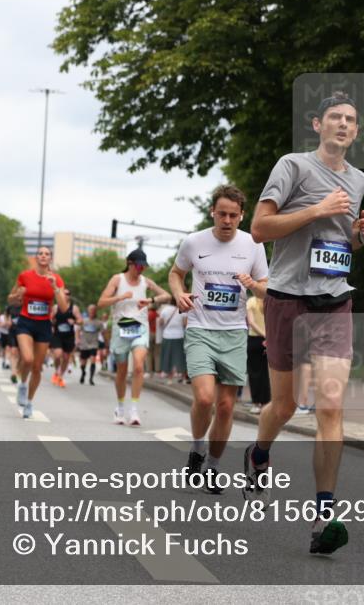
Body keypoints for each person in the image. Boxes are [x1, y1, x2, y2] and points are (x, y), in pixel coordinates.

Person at [243, 91, 364, 555]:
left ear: (356, 131)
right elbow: (259, 229)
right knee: (283, 406)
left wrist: (360, 237)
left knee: (331, 407)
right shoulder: (293, 166)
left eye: (351, 119)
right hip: (287, 298)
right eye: (335, 117)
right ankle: (259, 453)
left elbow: (339, 243)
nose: (343, 124)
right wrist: (316, 209)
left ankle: (324, 516)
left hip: (334, 300)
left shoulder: (358, 179)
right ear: (318, 124)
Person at [169, 185, 269, 494]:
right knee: (204, 399)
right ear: (212, 212)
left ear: (242, 216)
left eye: (233, 215)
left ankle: (212, 467)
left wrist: (254, 285)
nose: (227, 220)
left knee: (226, 406)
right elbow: (176, 273)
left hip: (235, 333)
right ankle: (197, 449)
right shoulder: (194, 242)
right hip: (200, 329)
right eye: (222, 214)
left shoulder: (253, 244)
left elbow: (266, 288)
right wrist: (179, 294)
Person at [97, 248, 170, 426]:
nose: (141, 269)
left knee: (138, 366)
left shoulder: (145, 281)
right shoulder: (117, 279)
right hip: (121, 328)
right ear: (129, 264)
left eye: (144, 266)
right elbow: (101, 302)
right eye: (138, 266)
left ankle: (134, 410)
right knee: (122, 371)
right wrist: (120, 297)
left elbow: (167, 295)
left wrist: (150, 301)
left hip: (140, 327)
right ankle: (120, 407)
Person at [8, 246, 68, 419]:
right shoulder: (25, 276)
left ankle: (29, 402)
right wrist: (17, 296)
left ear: (50, 259)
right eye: (40, 253)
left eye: (47, 254)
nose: (43, 256)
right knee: (27, 359)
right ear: (36, 257)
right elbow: (10, 300)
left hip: (44, 325)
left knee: (37, 367)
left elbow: (63, 307)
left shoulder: (56, 278)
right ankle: (22, 385)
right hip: (25, 322)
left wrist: (55, 287)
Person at [50, 289, 82, 387]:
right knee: (58, 354)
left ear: (69, 296)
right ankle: (57, 371)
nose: (65, 295)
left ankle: (60, 376)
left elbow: (81, 321)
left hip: (69, 336)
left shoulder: (74, 308)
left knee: (66, 357)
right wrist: (52, 323)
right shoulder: (56, 307)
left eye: (67, 294)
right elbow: (50, 319)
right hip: (57, 335)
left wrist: (74, 322)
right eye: (63, 294)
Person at [245, 290, 269, 414]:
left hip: (254, 339)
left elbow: (251, 322)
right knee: (267, 372)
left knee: (254, 372)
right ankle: (266, 403)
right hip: (269, 339)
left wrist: (263, 334)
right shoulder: (270, 301)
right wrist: (268, 335)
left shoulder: (251, 301)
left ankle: (256, 403)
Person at [158, 299, 186, 379]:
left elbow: (160, 323)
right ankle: (178, 371)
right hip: (179, 335)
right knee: (178, 355)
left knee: (167, 354)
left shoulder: (165, 310)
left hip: (167, 335)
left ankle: (166, 371)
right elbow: (185, 324)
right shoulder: (182, 310)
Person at [78, 304, 103, 385]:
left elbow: (103, 332)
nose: (92, 311)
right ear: (88, 311)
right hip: (84, 344)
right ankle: (83, 373)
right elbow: (78, 330)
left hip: (93, 344)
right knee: (83, 362)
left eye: (93, 310)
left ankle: (91, 378)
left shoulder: (99, 322)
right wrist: (77, 339)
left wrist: (105, 342)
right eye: (90, 310)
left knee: (93, 360)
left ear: (95, 311)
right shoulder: (83, 321)